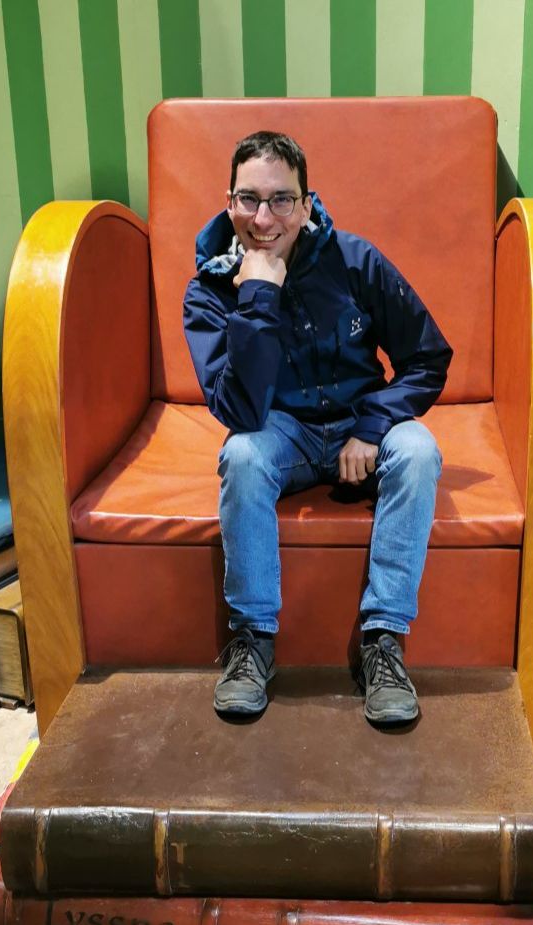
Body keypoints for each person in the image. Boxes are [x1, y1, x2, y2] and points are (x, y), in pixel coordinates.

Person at [183, 131, 452, 725]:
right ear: (229, 203)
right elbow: (239, 414)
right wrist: (259, 295)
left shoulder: (355, 261)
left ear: (306, 205)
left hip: (361, 422)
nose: (264, 218)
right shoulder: (209, 291)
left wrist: (374, 425)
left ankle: (383, 641)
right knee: (242, 456)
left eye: (282, 199)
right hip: (281, 431)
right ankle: (253, 640)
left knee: (419, 450)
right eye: (249, 199)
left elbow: (429, 357)